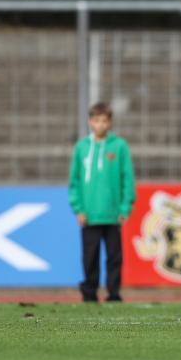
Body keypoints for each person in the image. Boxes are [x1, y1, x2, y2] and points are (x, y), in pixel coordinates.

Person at [68, 102, 135, 303]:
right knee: (90, 257)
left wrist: (125, 207)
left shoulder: (119, 146)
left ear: (110, 122)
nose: (100, 125)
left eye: (104, 120)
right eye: (96, 120)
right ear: (90, 122)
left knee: (114, 257)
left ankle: (113, 294)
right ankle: (89, 292)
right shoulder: (81, 148)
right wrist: (78, 208)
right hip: (89, 214)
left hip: (113, 214)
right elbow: (75, 182)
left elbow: (127, 179)